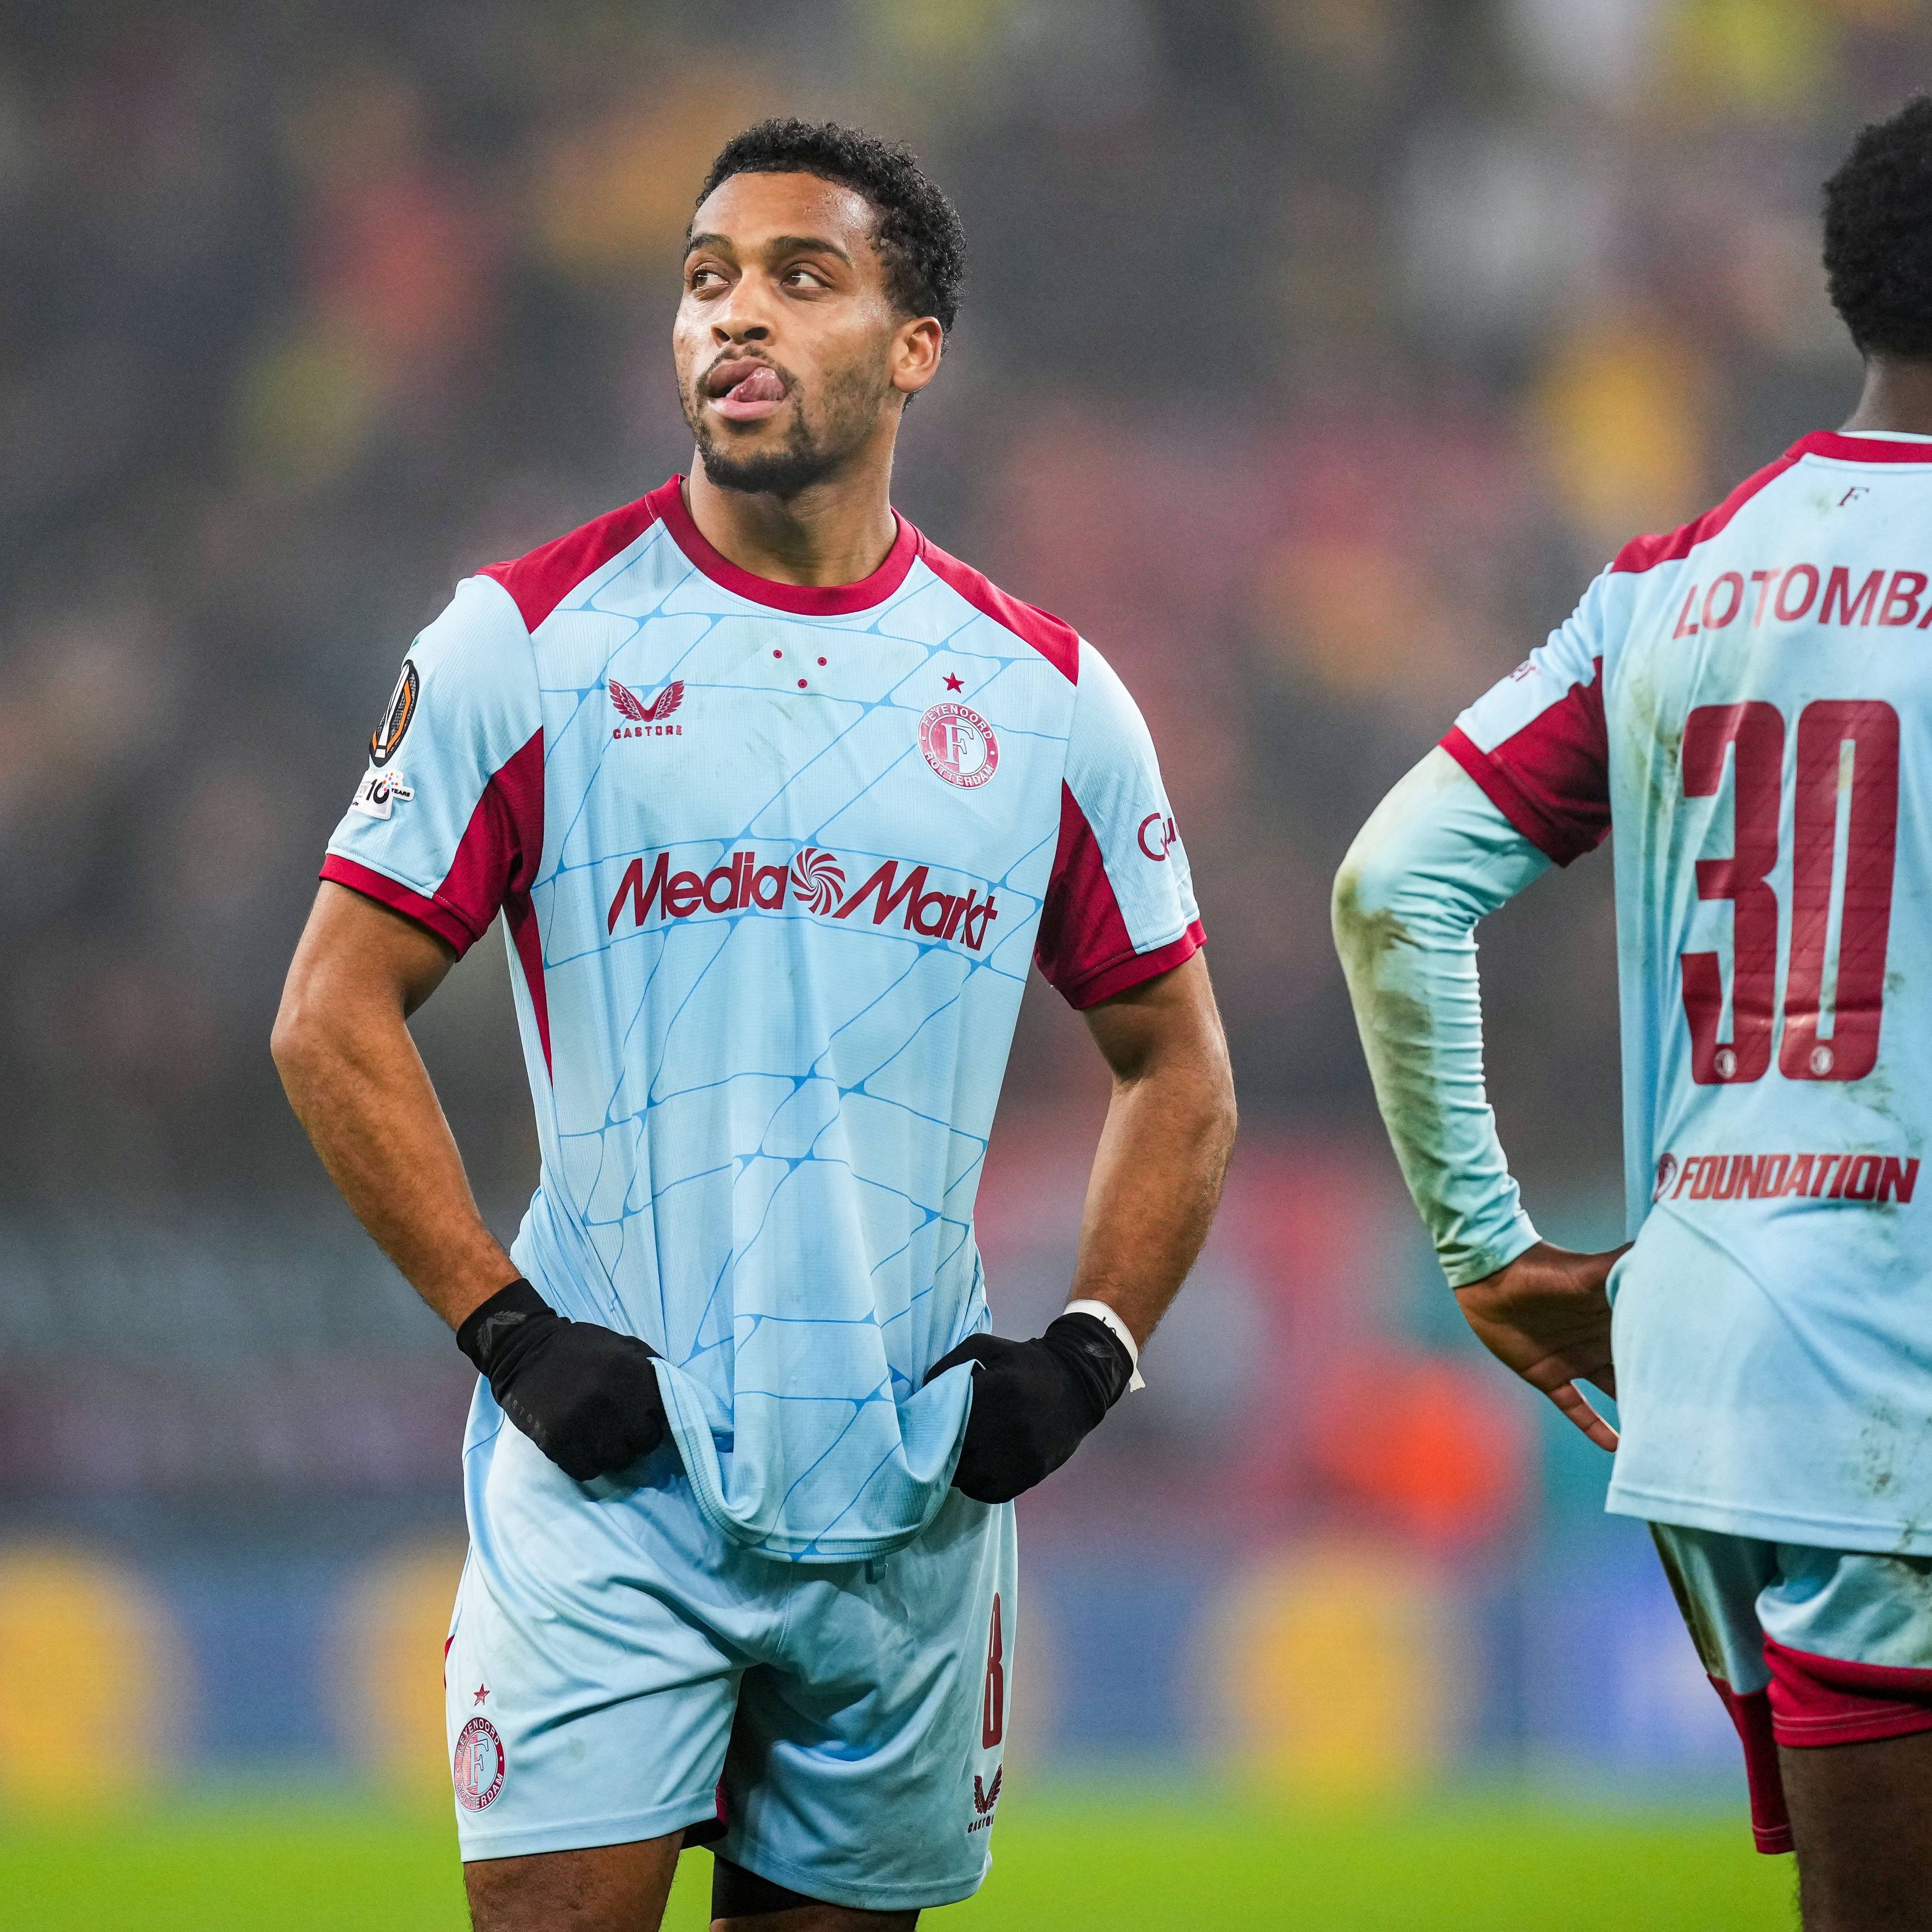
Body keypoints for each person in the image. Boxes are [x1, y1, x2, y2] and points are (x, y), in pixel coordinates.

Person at [272, 119, 1235, 1932]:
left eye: (803, 277)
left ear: (915, 344)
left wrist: (1091, 1352)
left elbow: (1178, 1063)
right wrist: (508, 1329)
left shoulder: (1047, 700)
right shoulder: (524, 643)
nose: (737, 314)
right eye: (708, 278)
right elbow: (330, 1013)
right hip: (613, 1487)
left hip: (906, 1507)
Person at [1333, 96, 1932, 1931]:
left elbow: (1391, 887)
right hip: (1902, 1343)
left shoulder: (1674, 581)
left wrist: (1487, 1250)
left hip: (1720, 1354)